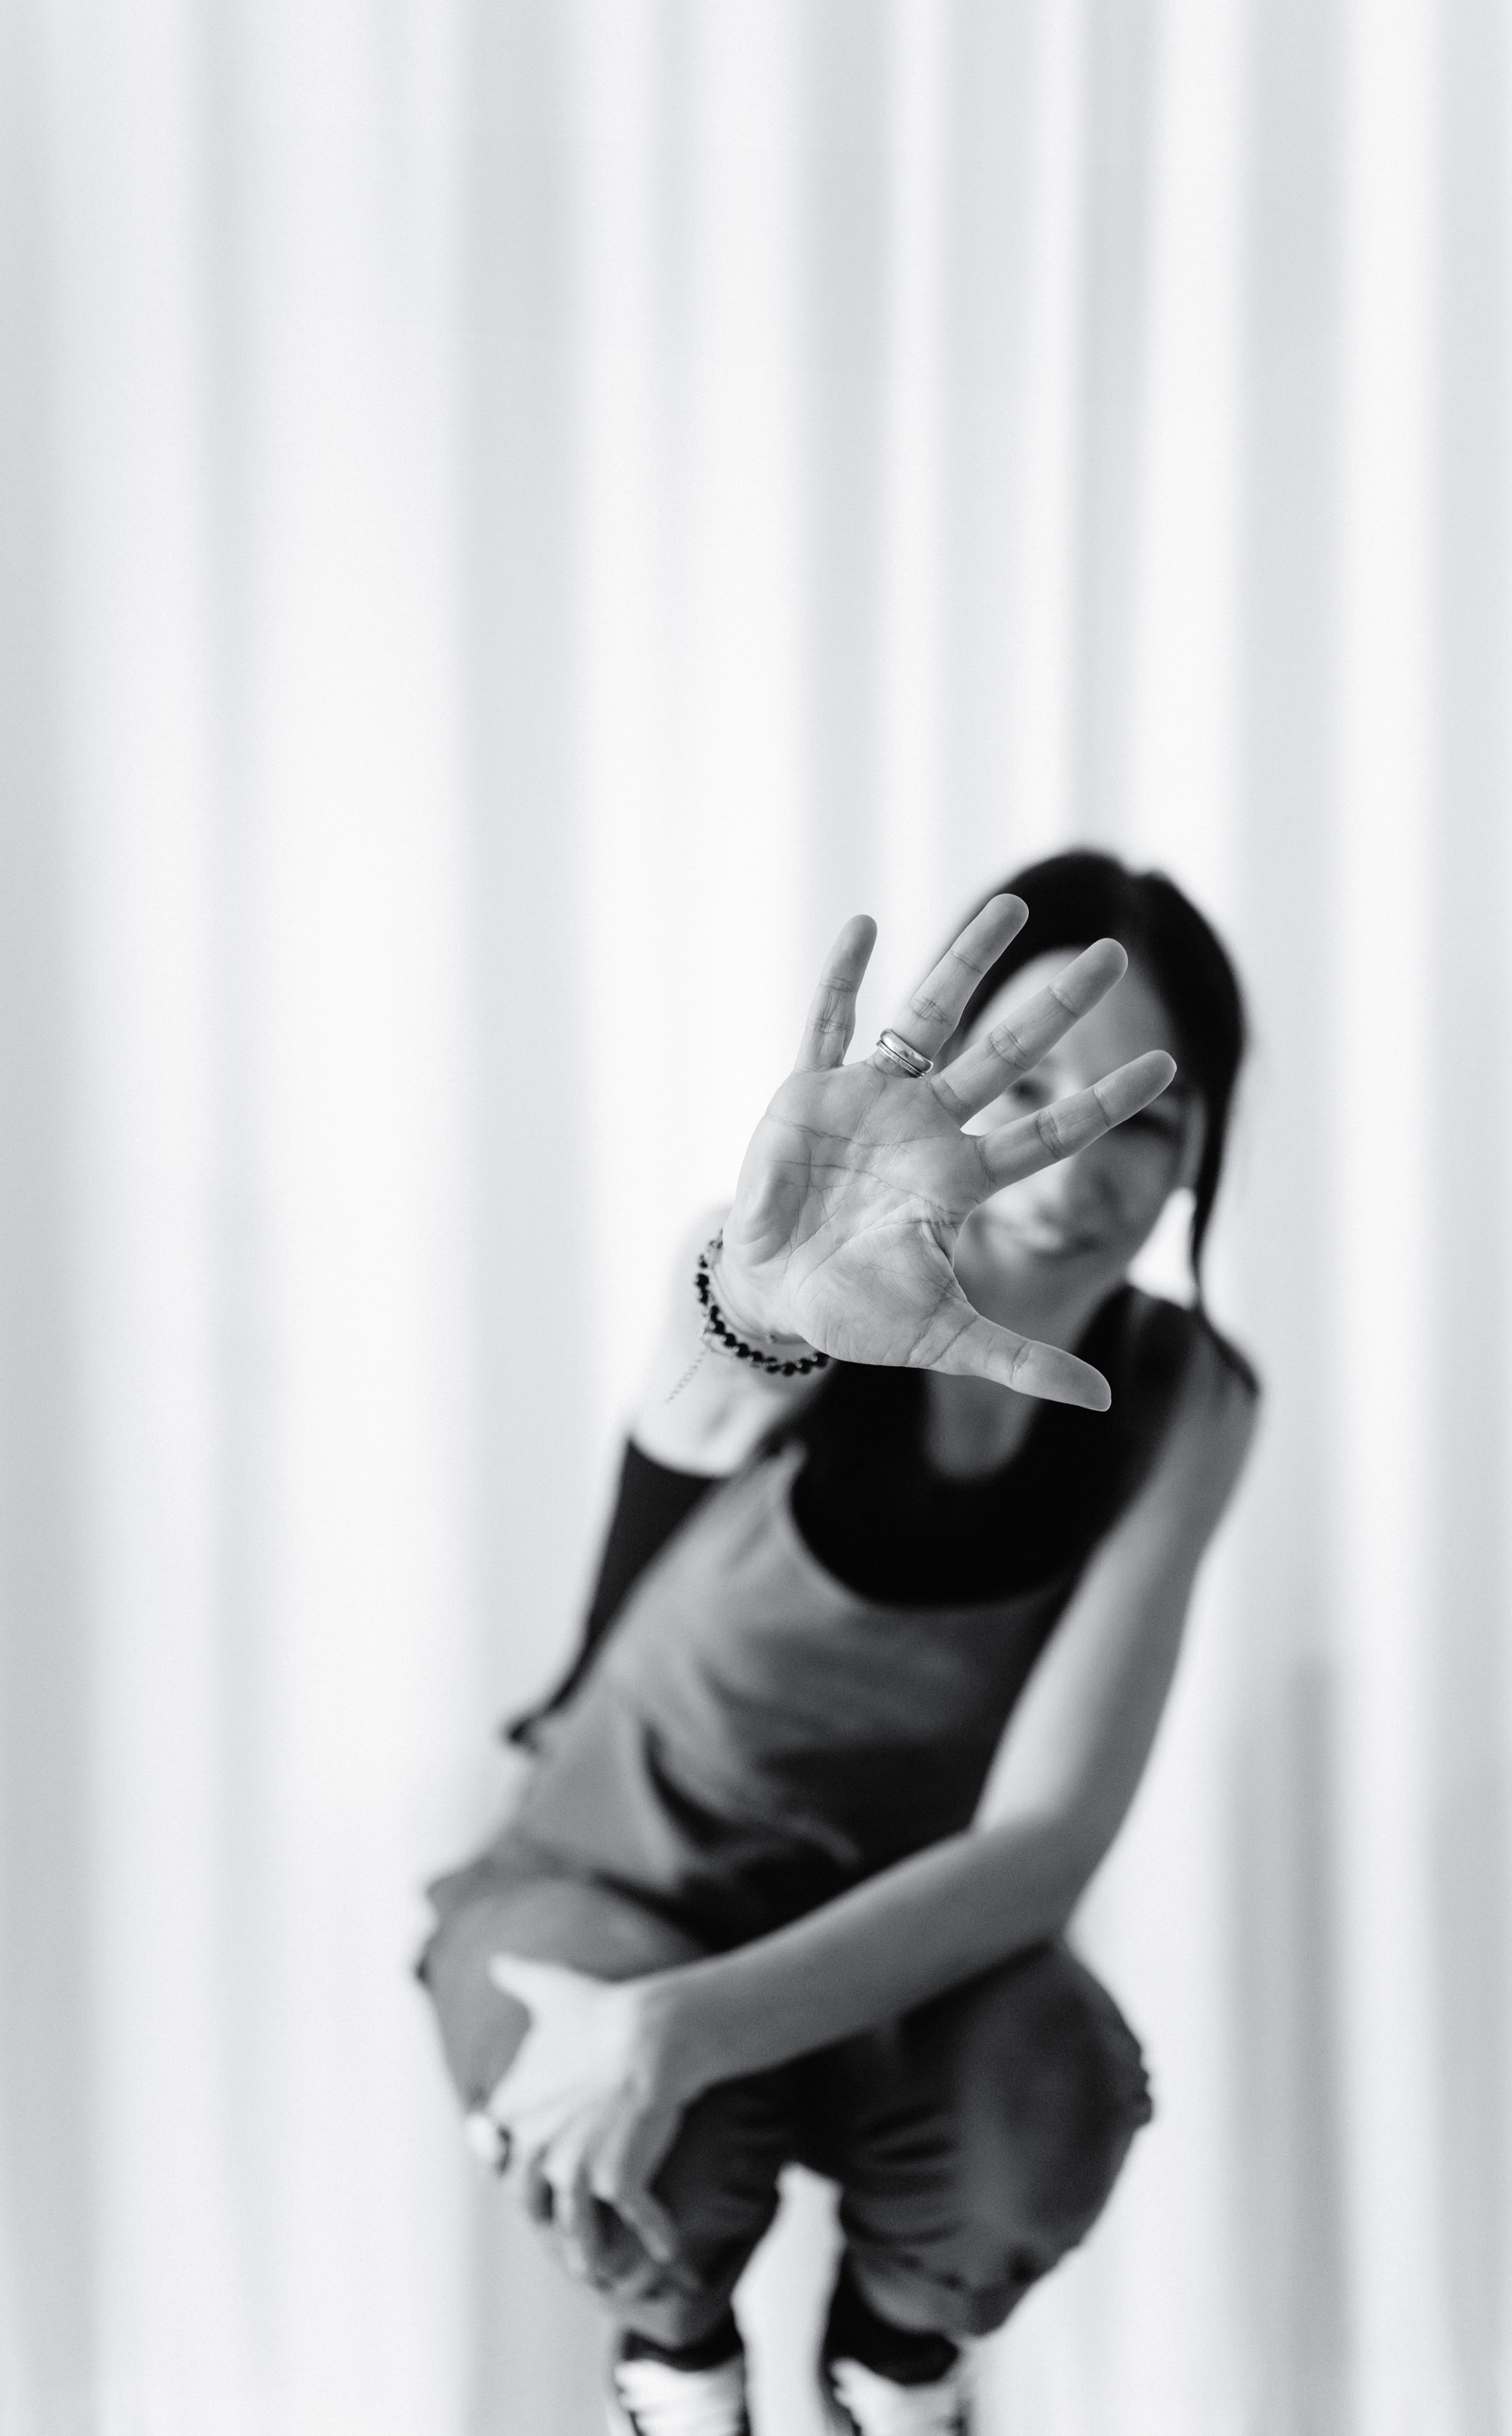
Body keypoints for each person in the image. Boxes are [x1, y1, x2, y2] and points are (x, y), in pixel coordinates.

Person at [418, 850, 1260, 2436]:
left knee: (1043, 2100)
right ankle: (679, 2370)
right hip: (606, 1886)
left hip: (892, 1946)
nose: (1074, 1176)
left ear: (1200, 1144)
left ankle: (897, 2374)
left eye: (1141, 1118)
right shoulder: (801, 1272)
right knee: (654, 2143)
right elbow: (714, 1362)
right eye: (1030, 1094)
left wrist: (673, 2032)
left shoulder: (1184, 1398)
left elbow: (1041, 1846)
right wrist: (759, 1300)